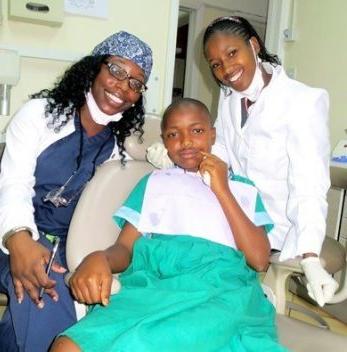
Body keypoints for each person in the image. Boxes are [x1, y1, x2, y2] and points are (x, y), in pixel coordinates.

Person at [50, 98, 286, 351]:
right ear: (164, 140)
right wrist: (102, 258)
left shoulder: (243, 190)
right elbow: (126, 248)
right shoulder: (154, 184)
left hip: (219, 293)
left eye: (196, 131)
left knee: (145, 343)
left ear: (212, 134)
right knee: (67, 345)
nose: (185, 141)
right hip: (154, 287)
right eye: (174, 134)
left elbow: (260, 260)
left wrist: (222, 190)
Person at [0, 31, 153, 352]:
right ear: (94, 68)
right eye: (116, 71)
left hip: (66, 246)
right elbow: (14, 185)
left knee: (40, 296)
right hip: (4, 234)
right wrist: (20, 241)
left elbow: (168, 141)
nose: (124, 87)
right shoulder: (40, 115)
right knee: (46, 287)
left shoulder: (117, 149)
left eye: (136, 83)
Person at [147, 16, 338, 307]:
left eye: (232, 53)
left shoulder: (303, 102)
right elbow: (221, 149)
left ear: (253, 45)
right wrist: (176, 157)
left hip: (277, 226)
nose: (226, 70)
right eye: (215, 64)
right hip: (239, 211)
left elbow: (308, 186)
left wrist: (311, 256)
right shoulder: (229, 99)